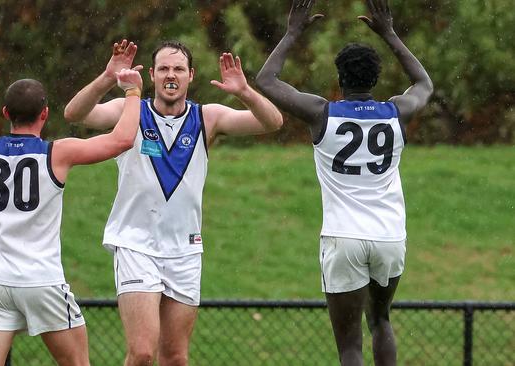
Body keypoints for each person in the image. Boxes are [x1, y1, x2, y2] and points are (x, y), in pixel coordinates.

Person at [64, 40, 283, 366]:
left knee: (176, 357)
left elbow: (272, 122)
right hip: (136, 244)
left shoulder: (208, 117)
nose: (171, 75)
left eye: (178, 69)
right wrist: (108, 77)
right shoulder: (131, 110)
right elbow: (75, 114)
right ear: (151, 74)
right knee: (141, 353)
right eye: (164, 68)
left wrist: (244, 92)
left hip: (184, 249)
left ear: (191, 75)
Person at [256, 0, 433, 365]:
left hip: (343, 237)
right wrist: (390, 34)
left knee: (350, 345)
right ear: (376, 79)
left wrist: (292, 33)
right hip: (388, 236)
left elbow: (266, 79)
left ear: (339, 80)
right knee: (381, 321)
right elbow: (424, 83)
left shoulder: (322, 113)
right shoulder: (395, 112)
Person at [0, 65, 143, 366]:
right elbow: (121, 140)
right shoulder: (56, 153)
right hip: (40, 280)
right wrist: (133, 91)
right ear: (45, 114)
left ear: (6, 113)